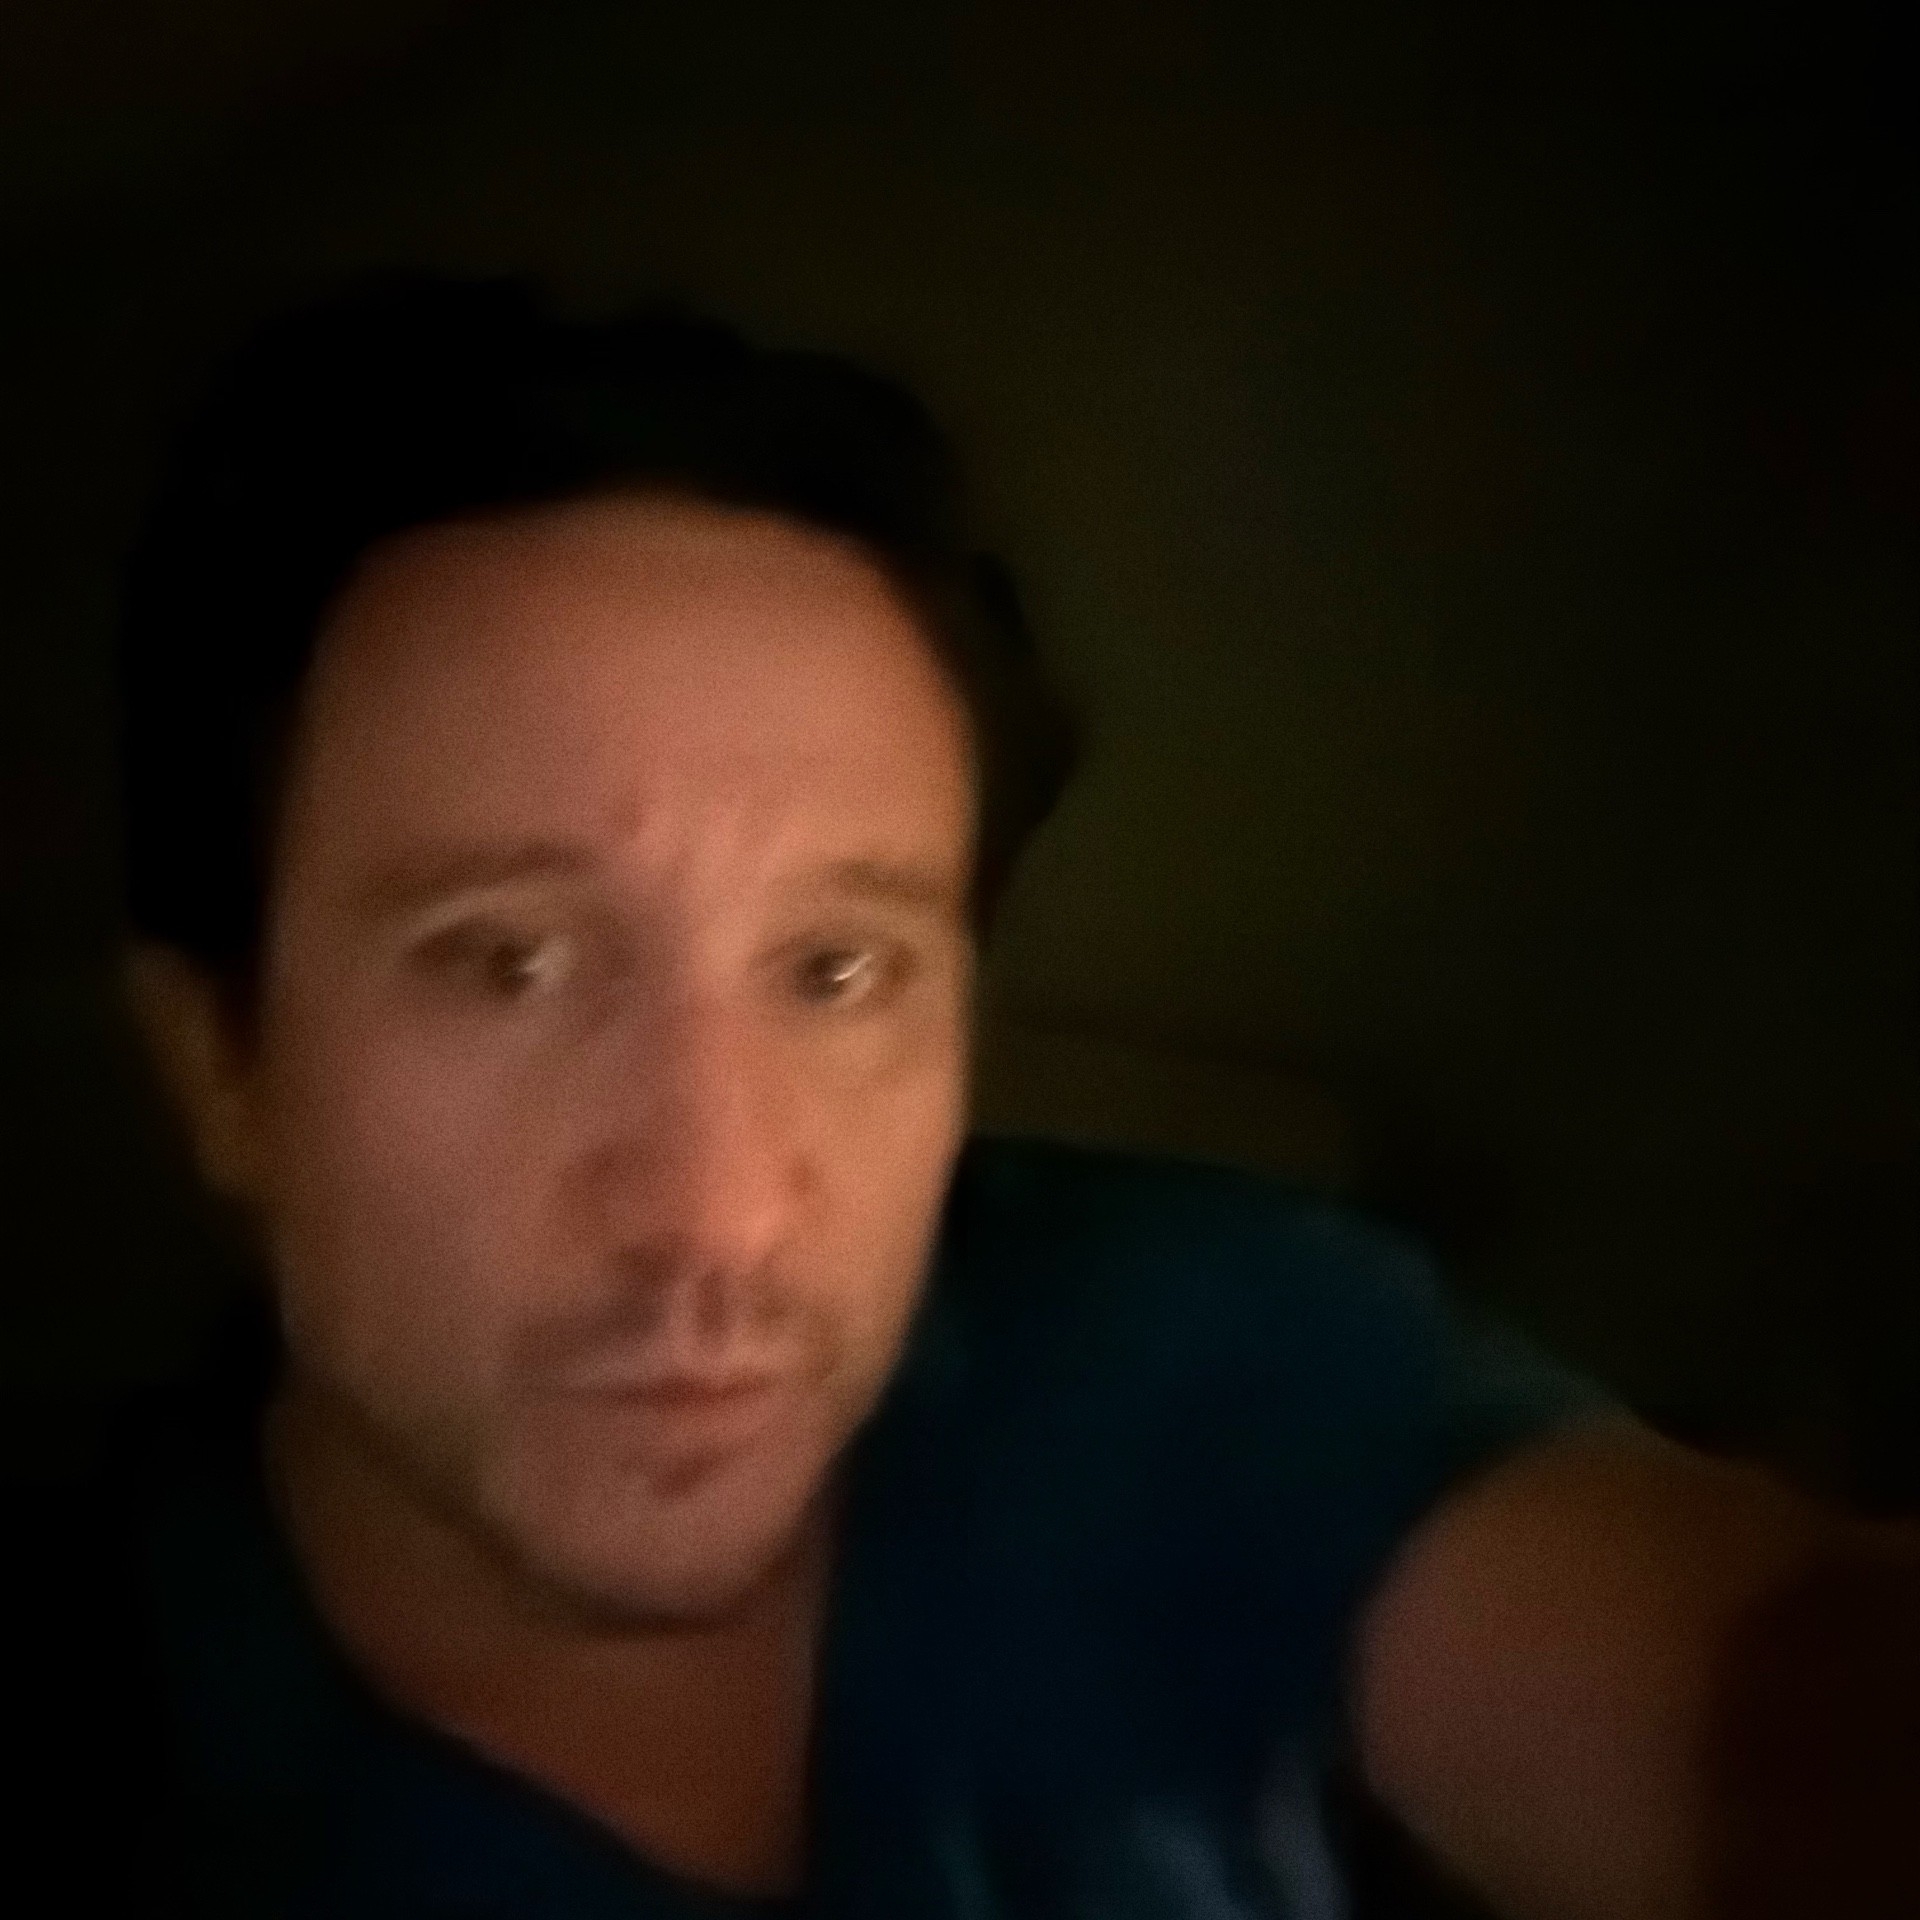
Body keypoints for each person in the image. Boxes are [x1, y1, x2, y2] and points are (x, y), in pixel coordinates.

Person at [16, 273, 1914, 1918]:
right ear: (222, 1068)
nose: (719, 1209)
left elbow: (1745, 1699)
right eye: (507, 964)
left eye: (837, 973)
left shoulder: (1161, 1347)